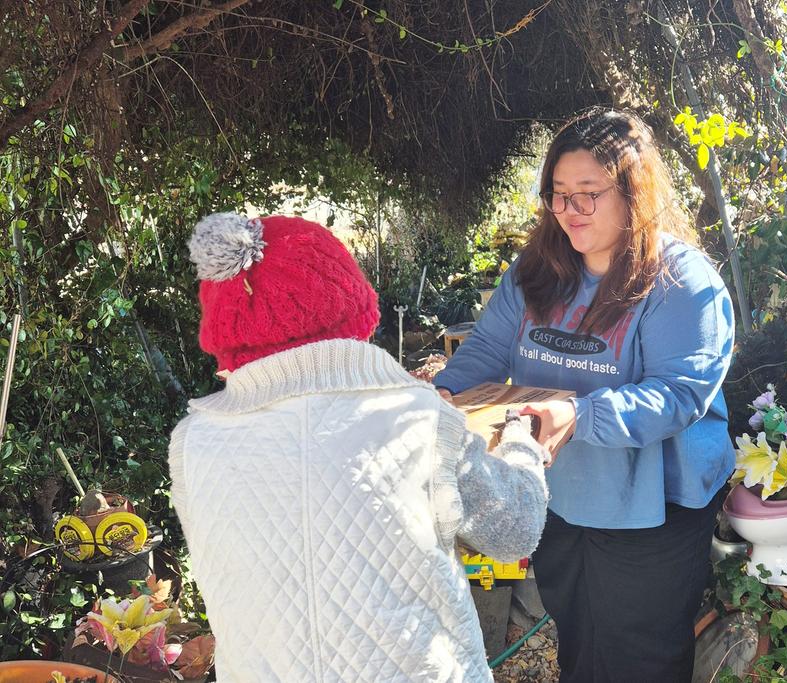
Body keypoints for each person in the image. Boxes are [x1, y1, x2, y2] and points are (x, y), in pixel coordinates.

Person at [168, 212, 548, 682]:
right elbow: (514, 532)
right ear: (353, 309)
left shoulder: (193, 443)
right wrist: (521, 443)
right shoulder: (417, 420)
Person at [433, 108, 736, 682]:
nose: (569, 211)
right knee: (577, 642)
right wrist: (439, 396)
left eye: (588, 194)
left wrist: (577, 413)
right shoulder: (536, 271)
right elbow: (485, 352)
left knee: (640, 660)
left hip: (653, 514)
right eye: (558, 194)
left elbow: (678, 395)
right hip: (560, 497)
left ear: (633, 194)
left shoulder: (680, 281)